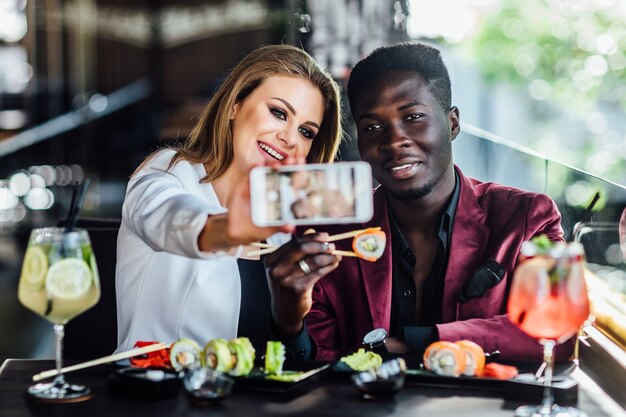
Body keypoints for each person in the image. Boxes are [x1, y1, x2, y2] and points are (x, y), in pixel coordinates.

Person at [265, 42, 568, 363]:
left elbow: (555, 331)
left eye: (413, 116)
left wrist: (420, 342)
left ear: (452, 124)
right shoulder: (331, 234)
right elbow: (320, 361)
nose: (394, 140)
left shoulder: (528, 217)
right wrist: (287, 320)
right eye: (373, 127)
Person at [115, 44, 343, 353]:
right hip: (158, 392)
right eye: (278, 113)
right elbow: (167, 216)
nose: (290, 138)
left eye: (306, 131)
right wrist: (229, 228)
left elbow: (292, 361)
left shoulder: (282, 230)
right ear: (235, 105)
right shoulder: (170, 172)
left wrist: (290, 320)